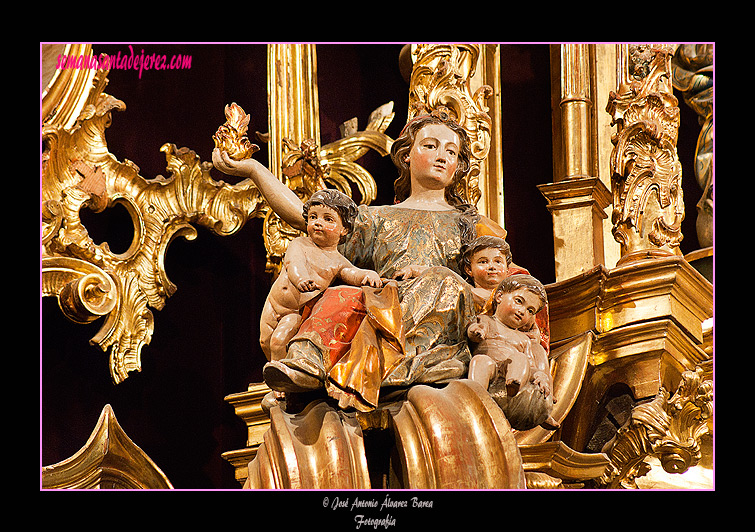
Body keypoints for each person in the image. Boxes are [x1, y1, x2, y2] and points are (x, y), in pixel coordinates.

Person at [212, 107, 505, 411]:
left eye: (451, 151)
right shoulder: (377, 219)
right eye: (430, 146)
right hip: (384, 303)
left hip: (442, 310)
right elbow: (306, 217)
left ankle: (401, 360)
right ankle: (306, 364)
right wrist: (254, 170)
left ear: (458, 166)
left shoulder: (470, 223)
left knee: (440, 280)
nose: (442, 156)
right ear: (406, 154)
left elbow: (498, 278)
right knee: (340, 295)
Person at [259, 189, 382, 363]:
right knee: (265, 341)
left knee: (278, 342)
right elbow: (294, 263)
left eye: (328, 219)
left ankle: (282, 382)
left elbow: (353, 273)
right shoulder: (299, 243)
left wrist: (368, 274)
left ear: (344, 229)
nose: (318, 222)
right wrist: (300, 279)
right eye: (313, 217)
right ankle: (275, 374)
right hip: (273, 303)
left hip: (295, 312)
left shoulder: (338, 262)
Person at [467, 274, 558, 430]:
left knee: (520, 359)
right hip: (492, 369)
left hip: (512, 376)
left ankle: (516, 385)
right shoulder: (486, 320)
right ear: (499, 296)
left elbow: (530, 365)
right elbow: (473, 329)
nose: (522, 311)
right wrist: (475, 332)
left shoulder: (523, 339)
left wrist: (539, 375)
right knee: (480, 361)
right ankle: (475, 401)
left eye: (530, 311)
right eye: (519, 301)